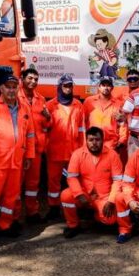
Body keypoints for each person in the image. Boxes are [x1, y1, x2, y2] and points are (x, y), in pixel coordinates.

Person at [0, 74, 36, 236]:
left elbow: (30, 134)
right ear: (1, 89)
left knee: (12, 195)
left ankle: (4, 224)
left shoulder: (24, 107)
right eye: (8, 87)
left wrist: (29, 156)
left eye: (14, 87)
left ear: (18, 88)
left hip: (17, 159)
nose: (11, 90)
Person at [61, 126, 129, 242]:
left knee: (109, 220)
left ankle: (95, 217)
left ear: (103, 140)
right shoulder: (77, 154)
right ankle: (73, 225)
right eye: (91, 140)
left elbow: (118, 181)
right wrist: (79, 194)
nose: (94, 143)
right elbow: (71, 177)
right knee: (66, 195)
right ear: (86, 141)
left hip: (104, 196)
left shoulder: (112, 155)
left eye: (97, 140)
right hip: (84, 194)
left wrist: (111, 201)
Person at [44, 74, 86, 219]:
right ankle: (54, 207)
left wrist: (83, 149)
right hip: (55, 150)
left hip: (73, 151)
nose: (68, 89)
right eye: (65, 86)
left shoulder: (78, 105)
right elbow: (45, 128)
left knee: (74, 180)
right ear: (59, 87)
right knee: (53, 181)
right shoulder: (50, 106)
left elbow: (82, 130)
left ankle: (76, 206)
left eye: (70, 86)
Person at [18, 67, 51, 218]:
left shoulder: (41, 99)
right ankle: (14, 216)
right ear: (22, 78)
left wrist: (48, 118)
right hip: (19, 148)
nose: (33, 82)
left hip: (36, 148)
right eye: (30, 78)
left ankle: (33, 212)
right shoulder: (15, 97)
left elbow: (46, 125)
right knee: (16, 185)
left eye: (36, 79)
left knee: (33, 183)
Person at [84, 76, 127, 156]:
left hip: (110, 143)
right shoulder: (89, 102)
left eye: (108, 85)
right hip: (93, 142)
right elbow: (83, 122)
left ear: (112, 88)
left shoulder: (118, 104)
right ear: (99, 87)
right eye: (103, 85)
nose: (106, 88)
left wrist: (122, 140)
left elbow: (122, 124)